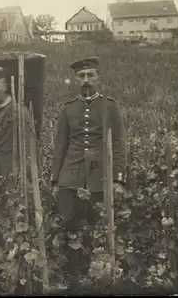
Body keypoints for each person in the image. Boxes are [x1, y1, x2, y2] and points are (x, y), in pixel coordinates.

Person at [50, 56, 127, 285]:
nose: (86, 80)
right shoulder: (68, 109)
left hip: (99, 175)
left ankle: (97, 275)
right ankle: (72, 275)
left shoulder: (110, 107)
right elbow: (60, 145)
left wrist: (119, 179)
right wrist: (56, 180)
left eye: (90, 75)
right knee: (69, 225)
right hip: (71, 174)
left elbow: (121, 145)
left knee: (98, 226)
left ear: (98, 78)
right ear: (75, 80)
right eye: (81, 76)